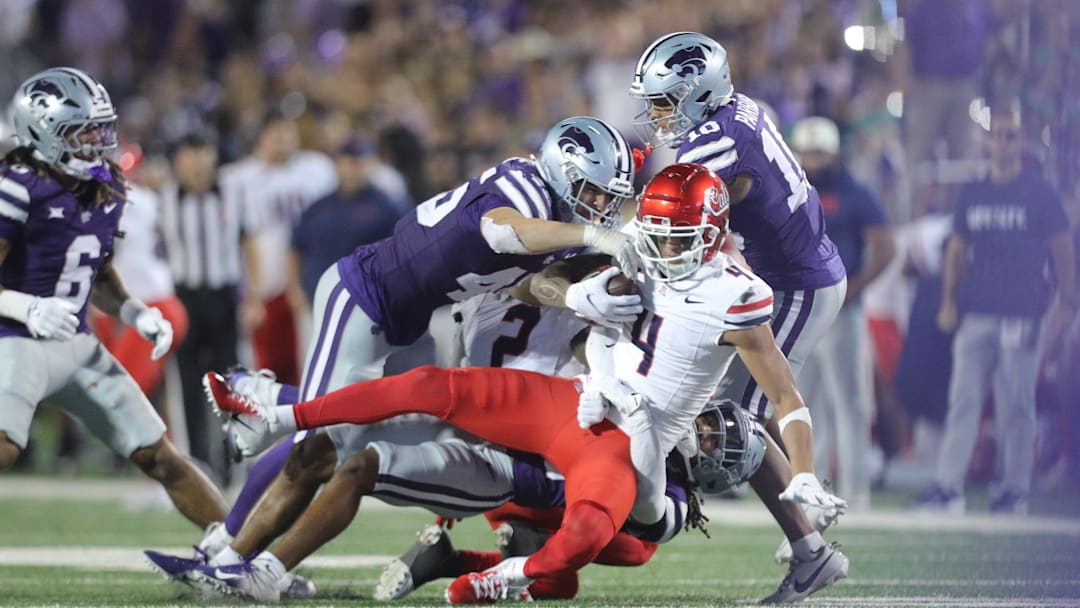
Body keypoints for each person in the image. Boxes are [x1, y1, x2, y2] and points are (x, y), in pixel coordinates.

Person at [207, 163, 847, 604]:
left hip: (598, 448)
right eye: (658, 230)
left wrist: (804, 476)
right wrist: (581, 295)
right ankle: (282, 416)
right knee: (431, 388)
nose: (662, 246)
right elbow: (539, 285)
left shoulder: (734, 305)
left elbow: (779, 404)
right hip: (568, 405)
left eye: (675, 235)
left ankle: (482, 571)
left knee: (600, 536)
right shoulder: (633, 250)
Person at [144, 116, 642, 588]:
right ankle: (228, 547)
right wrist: (593, 235)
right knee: (317, 445)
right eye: (593, 190)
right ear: (561, 169)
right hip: (365, 296)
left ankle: (271, 423)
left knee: (367, 422)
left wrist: (575, 289)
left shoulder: (555, 217)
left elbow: (521, 280)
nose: (599, 204)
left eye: (608, 198)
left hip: (404, 316)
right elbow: (502, 231)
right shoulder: (525, 187)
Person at [628, 32, 847, 569]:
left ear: (697, 94)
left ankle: (809, 543)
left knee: (740, 425)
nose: (655, 115)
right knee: (744, 415)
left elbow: (676, 222)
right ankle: (808, 523)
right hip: (795, 267)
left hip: (799, 280)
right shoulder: (738, 107)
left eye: (664, 102)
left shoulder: (709, 144)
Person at [0, 67, 227, 528]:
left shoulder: (107, 188)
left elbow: (97, 273)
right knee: (4, 447)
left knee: (159, 454)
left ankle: (242, 557)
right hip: (16, 340)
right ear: (41, 132)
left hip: (77, 345)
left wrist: (134, 311)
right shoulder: (16, 187)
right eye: (81, 130)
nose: (95, 140)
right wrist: (28, 306)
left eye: (99, 127)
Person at [914, 102, 1077, 514]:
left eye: (1010, 136)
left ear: (1021, 143)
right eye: (997, 134)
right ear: (986, 141)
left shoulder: (1039, 193)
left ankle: (1014, 490)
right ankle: (948, 487)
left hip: (1023, 311)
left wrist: (1067, 300)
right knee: (963, 398)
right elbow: (957, 248)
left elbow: (1061, 247)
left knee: (1016, 401)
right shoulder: (974, 191)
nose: (1002, 143)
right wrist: (949, 301)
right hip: (978, 309)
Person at [790, 116, 896, 510]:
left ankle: (855, 489)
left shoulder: (855, 193)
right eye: (807, 151)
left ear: (834, 153)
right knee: (807, 401)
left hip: (838, 311)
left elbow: (885, 247)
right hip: (803, 309)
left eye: (819, 152)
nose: (813, 160)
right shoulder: (793, 192)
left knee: (850, 402)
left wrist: (853, 288)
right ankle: (815, 489)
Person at [160, 130, 258, 477]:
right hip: (184, 298)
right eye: (190, 153)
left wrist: (254, 297)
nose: (198, 161)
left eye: (203, 153)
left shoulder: (233, 193)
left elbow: (249, 244)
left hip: (223, 296)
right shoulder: (165, 197)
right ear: (178, 160)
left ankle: (232, 459)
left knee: (230, 381)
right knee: (187, 382)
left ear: (214, 157)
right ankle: (197, 461)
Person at [287, 137, 402, 313]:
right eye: (349, 162)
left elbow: (401, 253)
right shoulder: (319, 207)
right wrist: (294, 289)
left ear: (372, 164)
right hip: (318, 301)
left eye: (360, 162)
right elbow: (296, 247)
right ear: (338, 164)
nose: (354, 168)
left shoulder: (387, 208)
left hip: (366, 306)